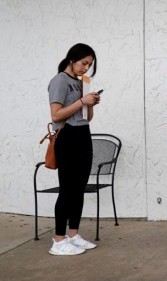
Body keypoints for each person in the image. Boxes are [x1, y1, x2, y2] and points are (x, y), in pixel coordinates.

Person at [47, 43, 102, 255]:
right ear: (72, 59)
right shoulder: (59, 81)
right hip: (67, 136)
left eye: (89, 65)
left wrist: (90, 104)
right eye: (83, 63)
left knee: (79, 188)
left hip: (82, 134)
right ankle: (58, 241)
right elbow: (56, 115)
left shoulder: (81, 83)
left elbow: (86, 117)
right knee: (67, 189)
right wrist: (81, 101)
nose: (85, 68)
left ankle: (73, 234)